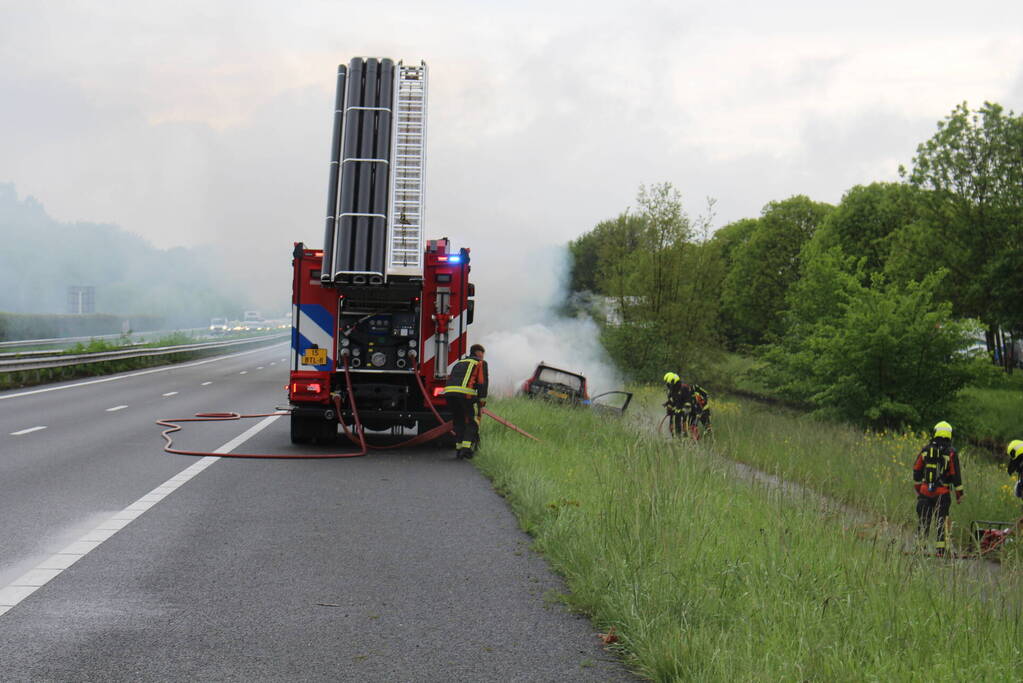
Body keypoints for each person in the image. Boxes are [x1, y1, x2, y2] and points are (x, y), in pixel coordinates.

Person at [912, 420, 964, 557]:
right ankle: (941, 551)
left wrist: (919, 488)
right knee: (942, 522)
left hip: (925, 492)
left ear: (935, 433)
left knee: (924, 521)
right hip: (943, 493)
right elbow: (955, 475)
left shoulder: (925, 450)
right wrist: (959, 494)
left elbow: (916, 470)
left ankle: (919, 549)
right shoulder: (951, 453)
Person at [443, 344, 488, 459]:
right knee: (472, 422)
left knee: (459, 420)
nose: (483, 356)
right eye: (482, 353)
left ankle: (459, 449)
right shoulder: (480, 363)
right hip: (464, 395)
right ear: (478, 353)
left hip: (449, 394)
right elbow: (482, 383)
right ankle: (466, 449)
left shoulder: (459, 362)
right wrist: (481, 403)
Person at [662, 372, 687, 438]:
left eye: (669, 384)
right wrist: (668, 405)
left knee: (681, 425)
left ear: (673, 382)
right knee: (673, 425)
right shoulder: (673, 390)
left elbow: (684, 402)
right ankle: (675, 437)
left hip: (684, 412)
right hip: (677, 412)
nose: (668, 386)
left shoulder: (683, 389)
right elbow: (672, 401)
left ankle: (683, 437)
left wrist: (679, 409)